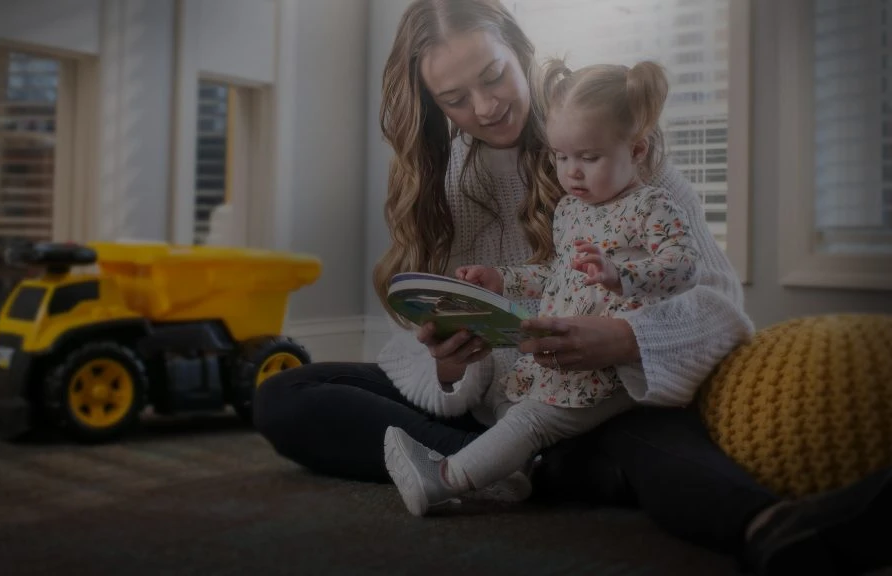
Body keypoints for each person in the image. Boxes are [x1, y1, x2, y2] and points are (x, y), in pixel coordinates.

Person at [252, 1, 892, 575]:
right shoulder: (443, 188)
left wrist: (625, 338)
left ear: (520, 52)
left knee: (652, 445)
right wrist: (446, 365)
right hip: (496, 408)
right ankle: (514, 466)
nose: (484, 107)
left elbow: (719, 304)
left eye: (494, 76)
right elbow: (435, 343)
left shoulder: (612, 144)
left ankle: (776, 532)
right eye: (454, 99)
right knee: (287, 395)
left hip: (596, 402)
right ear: (431, 104)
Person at [383, 58, 706, 517]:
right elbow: (557, 273)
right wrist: (503, 279)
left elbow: (684, 266)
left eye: (588, 158)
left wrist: (622, 275)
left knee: (531, 421)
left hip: (608, 372)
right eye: (561, 156)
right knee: (506, 400)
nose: (571, 172)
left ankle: (445, 479)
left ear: (636, 151)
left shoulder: (651, 206)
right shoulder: (573, 209)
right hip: (561, 360)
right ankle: (508, 475)